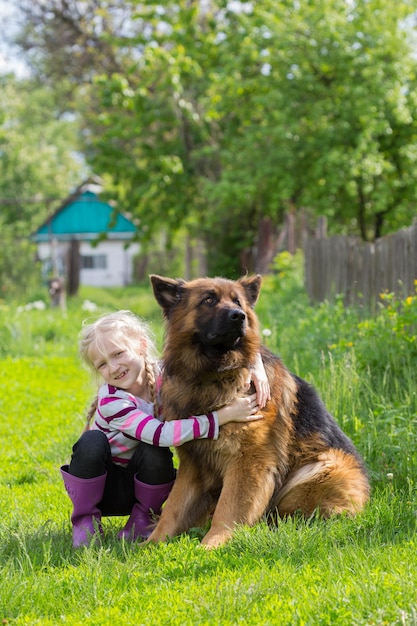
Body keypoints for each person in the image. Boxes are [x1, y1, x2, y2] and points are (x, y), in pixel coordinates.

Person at [61, 310, 270, 547]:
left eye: (118, 353)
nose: (114, 367)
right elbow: (163, 434)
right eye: (102, 364)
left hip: (143, 484)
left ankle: (142, 518)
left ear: (141, 345)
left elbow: (209, 360)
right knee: (93, 443)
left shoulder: (165, 376)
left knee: (155, 453)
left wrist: (256, 365)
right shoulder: (112, 403)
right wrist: (222, 416)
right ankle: (84, 520)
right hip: (106, 489)